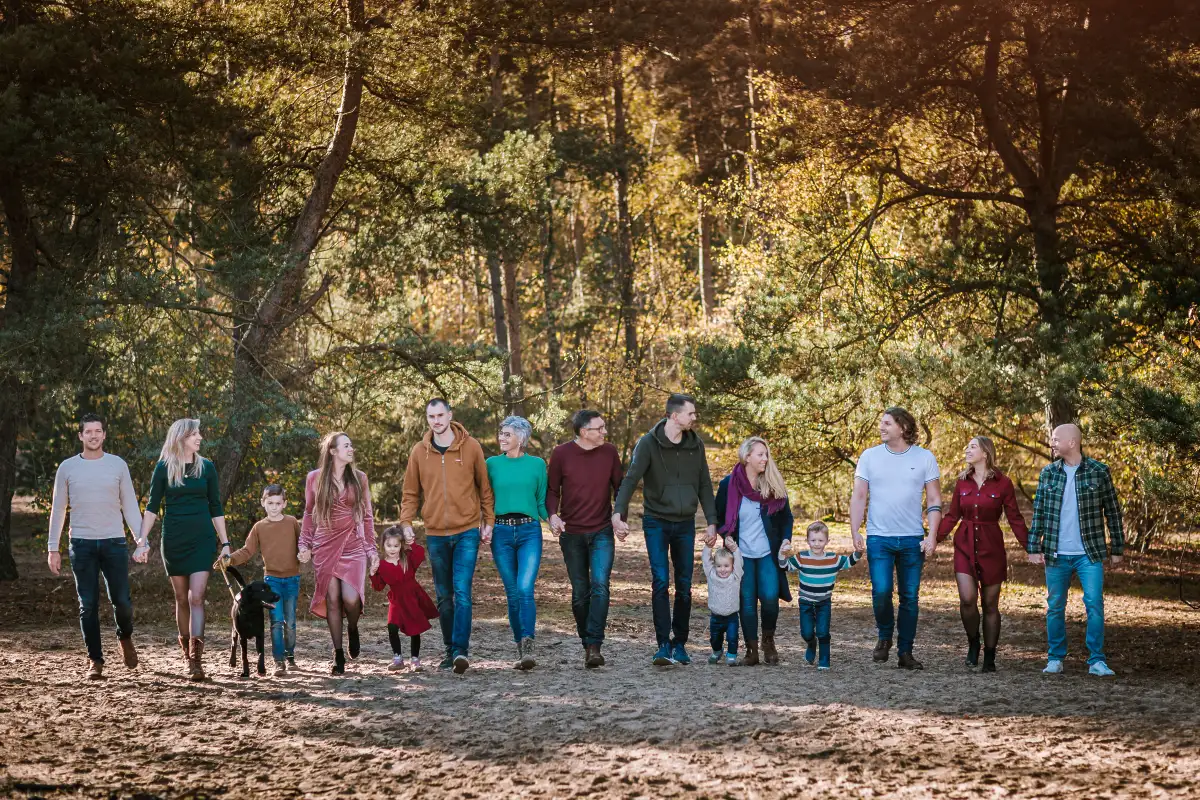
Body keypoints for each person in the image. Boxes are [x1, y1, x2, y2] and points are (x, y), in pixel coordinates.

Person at [614, 393, 719, 666]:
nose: (695, 417)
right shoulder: (648, 444)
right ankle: (662, 644)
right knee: (661, 580)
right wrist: (618, 514)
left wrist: (711, 521)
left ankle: (680, 643)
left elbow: (705, 484)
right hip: (656, 522)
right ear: (674, 416)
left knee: (684, 584)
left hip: (685, 523)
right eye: (691, 413)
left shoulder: (696, 446)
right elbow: (631, 480)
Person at [47, 413, 148, 680]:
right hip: (81, 545)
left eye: (98, 431)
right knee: (87, 604)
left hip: (114, 543)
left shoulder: (117, 465)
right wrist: (52, 548)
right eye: (88, 431)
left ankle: (124, 637)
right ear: (80, 436)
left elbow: (130, 506)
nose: (93, 435)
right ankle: (95, 660)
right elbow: (58, 510)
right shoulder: (67, 468)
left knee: (122, 602)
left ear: (104, 434)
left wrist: (141, 540)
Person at [400, 398, 494, 674]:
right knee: (444, 595)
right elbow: (410, 493)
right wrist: (406, 521)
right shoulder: (419, 451)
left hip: (466, 530)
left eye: (440, 415)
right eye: (431, 416)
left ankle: (461, 651)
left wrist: (488, 520)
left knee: (462, 591)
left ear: (450, 415)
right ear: (427, 419)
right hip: (435, 533)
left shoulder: (471, 446)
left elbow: (484, 488)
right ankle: (450, 649)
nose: (436, 421)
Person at [1027, 424, 1124, 677]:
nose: (1052, 442)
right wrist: (1033, 545)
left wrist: (1117, 547)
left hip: (1088, 553)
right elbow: (1039, 512)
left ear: (1072, 442)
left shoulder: (1099, 471)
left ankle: (1096, 660)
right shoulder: (1048, 473)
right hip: (1055, 553)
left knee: (1094, 604)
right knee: (1055, 606)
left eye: (1056, 439)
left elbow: (1113, 511)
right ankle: (1055, 658)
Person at [849, 406, 942, 670]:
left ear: (902, 427)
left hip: (913, 539)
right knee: (881, 592)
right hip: (879, 537)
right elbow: (858, 496)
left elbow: (934, 500)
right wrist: (855, 530)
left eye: (887, 423)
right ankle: (884, 634)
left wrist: (932, 535)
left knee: (910, 597)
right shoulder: (869, 456)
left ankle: (905, 652)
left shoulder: (924, 458)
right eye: (881, 423)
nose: (881, 427)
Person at [139, 418, 231, 681]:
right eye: (194, 434)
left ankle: (196, 661)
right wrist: (142, 540)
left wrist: (225, 543)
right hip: (174, 539)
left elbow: (216, 507)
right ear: (180, 437)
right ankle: (187, 657)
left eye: (199, 433)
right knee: (181, 599)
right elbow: (152, 507)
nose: (199, 437)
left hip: (202, 539)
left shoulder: (207, 468)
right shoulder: (164, 468)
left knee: (196, 597)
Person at [935, 436, 1029, 672]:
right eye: (967, 446)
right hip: (964, 545)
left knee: (990, 604)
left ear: (985, 453)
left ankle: (989, 655)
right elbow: (952, 515)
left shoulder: (1003, 483)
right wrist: (933, 539)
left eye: (972, 447)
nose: (967, 450)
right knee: (967, 599)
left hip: (991, 546)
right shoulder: (962, 482)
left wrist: (1031, 547)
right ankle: (973, 642)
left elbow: (1015, 518)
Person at [547, 409, 624, 668]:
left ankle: (594, 645)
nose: (604, 432)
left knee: (600, 585)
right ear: (583, 432)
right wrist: (552, 515)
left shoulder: (609, 452)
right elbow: (551, 490)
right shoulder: (561, 454)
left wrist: (618, 515)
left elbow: (620, 487)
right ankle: (586, 640)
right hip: (572, 534)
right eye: (599, 428)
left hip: (602, 530)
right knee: (581, 592)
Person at [298, 432, 379, 675]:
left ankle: (352, 626)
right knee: (332, 599)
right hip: (324, 544)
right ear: (332, 451)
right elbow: (309, 514)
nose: (351, 448)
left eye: (351, 445)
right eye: (346, 445)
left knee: (351, 599)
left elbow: (366, 516)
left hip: (353, 544)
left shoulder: (359, 478)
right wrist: (305, 544)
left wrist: (371, 550)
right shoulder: (314, 478)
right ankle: (338, 654)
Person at [712, 436, 794, 666]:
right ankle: (751, 649)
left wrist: (786, 539)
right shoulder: (729, 485)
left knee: (769, 598)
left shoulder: (773, 483)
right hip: (741, 554)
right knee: (746, 601)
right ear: (747, 456)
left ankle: (768, 641)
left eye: (766, 454)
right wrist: (725, 537)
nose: (765, 459)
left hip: (768, 552)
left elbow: (786, 517)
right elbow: (719, 517)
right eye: (760, 454)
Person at [485, 416, 548, 670]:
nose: (502, 438)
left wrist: (553, 520)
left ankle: (529, 642)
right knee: (512, 593)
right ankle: (520, 647)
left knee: (525, 589)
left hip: (529, 532)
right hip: (501, 533)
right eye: (501, 434)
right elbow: (485, 499)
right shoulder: (491, 464)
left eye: (508, 434)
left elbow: (541, 501)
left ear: (521, 438)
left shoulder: (537, 465)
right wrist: (484, 523)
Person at [226, 484, 302, 676]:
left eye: (278, 503)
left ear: (284, 504)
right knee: (276, 621)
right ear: (263, 503)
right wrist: (230, 559)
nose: (274, 507)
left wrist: (306, 553)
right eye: (270, 503)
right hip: (272, 580)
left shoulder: (292, 522)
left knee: (290, 621)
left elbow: (303, 544)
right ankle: (278, 662)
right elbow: (247, 550)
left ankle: (290, 655)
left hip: (292, 578)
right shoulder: (259, 527)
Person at [778, 521, 862, 670]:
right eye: (813, 540)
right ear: (807, 541)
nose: (817, 544)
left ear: (827, 541)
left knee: (823, 632)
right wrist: (782, 555)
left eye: (820, 540)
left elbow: (849, 562)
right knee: (807, 632)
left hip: (824, 601)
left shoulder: (833, 559)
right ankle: (811, 643)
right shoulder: (802, 557)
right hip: (806, 601)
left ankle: (824, 660)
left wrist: (859, 551)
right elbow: (785, 566)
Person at [370, 526, 438, 672]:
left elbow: (420, 553)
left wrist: (411, 542)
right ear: (383, 545)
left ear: (401, 545)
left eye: (396, 545)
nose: (392, 549)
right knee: (392, 627)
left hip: (412, 597)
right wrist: (373, 573)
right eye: (389, 545)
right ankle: (397, 658)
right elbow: (378, 586)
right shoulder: (382, 565)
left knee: (415, 629)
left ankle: (415, 659)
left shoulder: (407, 558)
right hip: (396, 600)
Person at [702, 540, 743, 666]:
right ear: (714, 566)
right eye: (719, 566)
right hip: (716, 616)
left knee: (732, 637)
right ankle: (717, 651)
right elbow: (705, 560)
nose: (723, 569)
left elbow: (739, 562)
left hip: (731, 616)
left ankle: (731, 655)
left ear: (732, 566)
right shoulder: (711, 575)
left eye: (726, 566)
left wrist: (735, 549)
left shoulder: (736, 576)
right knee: (715, 638)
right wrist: (708, 547)